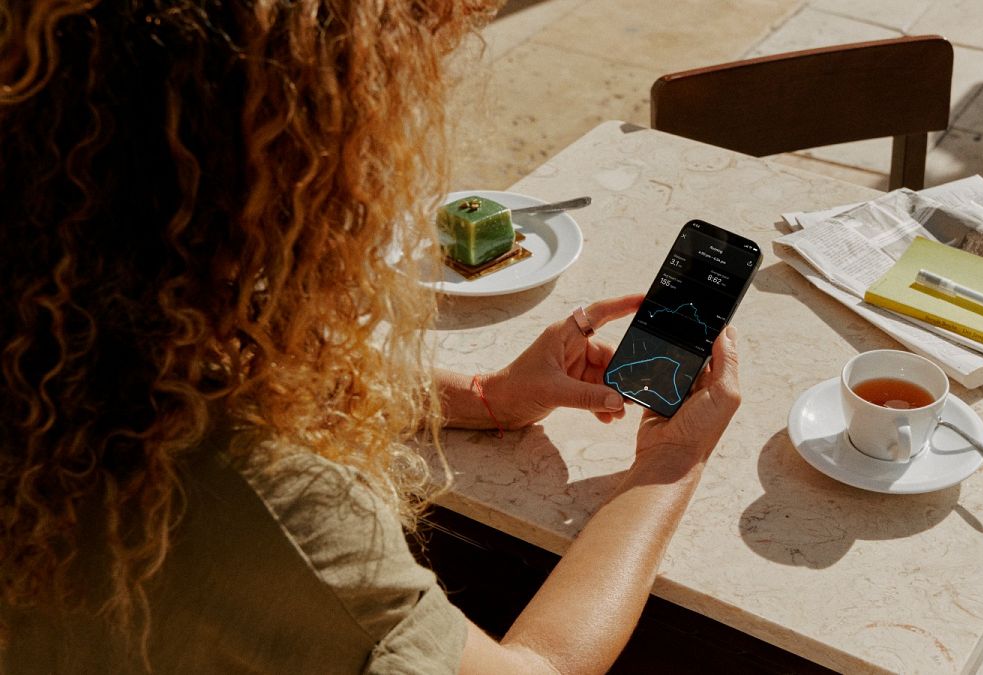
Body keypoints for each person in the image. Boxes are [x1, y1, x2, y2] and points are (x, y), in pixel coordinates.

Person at [0, 1, 741, 673]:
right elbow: (537, 669)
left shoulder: (59, 333)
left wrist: (487, 396)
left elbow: (219, 368)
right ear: (289, 182)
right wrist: (669, 464)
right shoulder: (260, 505)